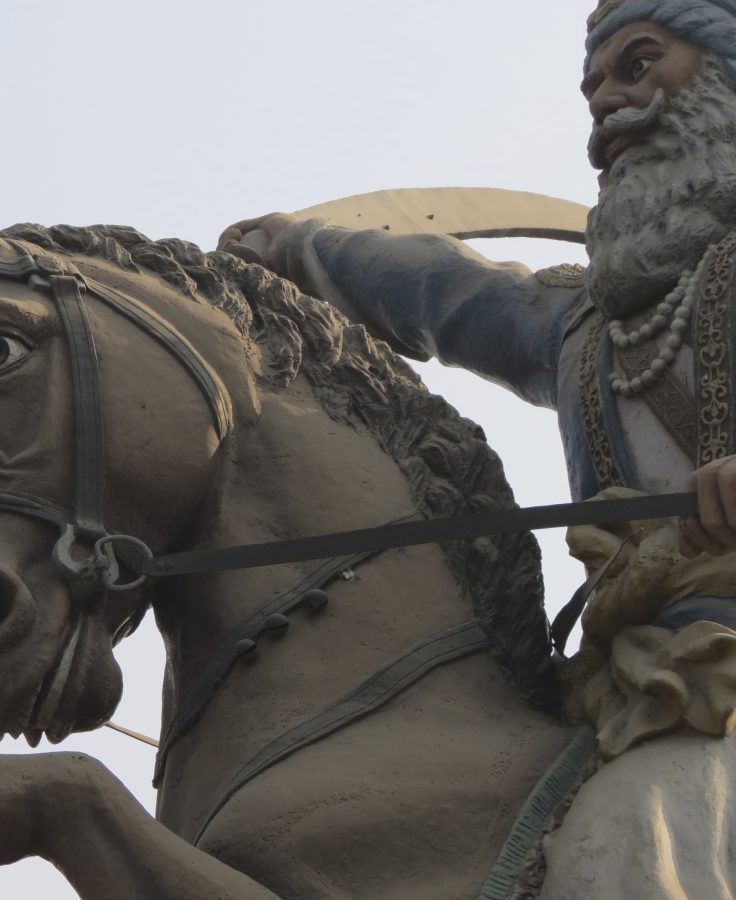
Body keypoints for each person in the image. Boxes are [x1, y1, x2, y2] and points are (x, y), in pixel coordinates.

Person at [220, 2, 736, 896]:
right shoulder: (583, 325)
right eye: (595, 86)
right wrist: (294, 249)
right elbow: (446, 293)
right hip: (623, 693)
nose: (609, 102)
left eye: (640, 65)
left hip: (706, 724)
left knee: (641, 837)